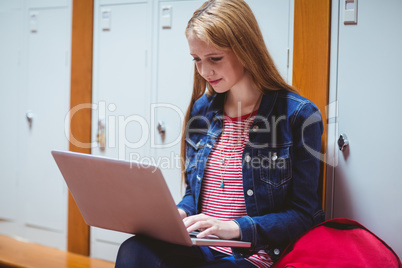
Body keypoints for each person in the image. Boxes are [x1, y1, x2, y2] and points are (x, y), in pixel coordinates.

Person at [115, 0, 324, 267]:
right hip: (201, 246)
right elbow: (195, 194)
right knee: (135, 249)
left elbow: (303, 214)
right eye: (197, 60)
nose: (204, 71)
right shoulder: (202, 110)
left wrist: (234, 227)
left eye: (214, 59)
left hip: (254, 255)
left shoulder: (298, 115)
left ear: (246, 49)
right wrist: (177, 215)